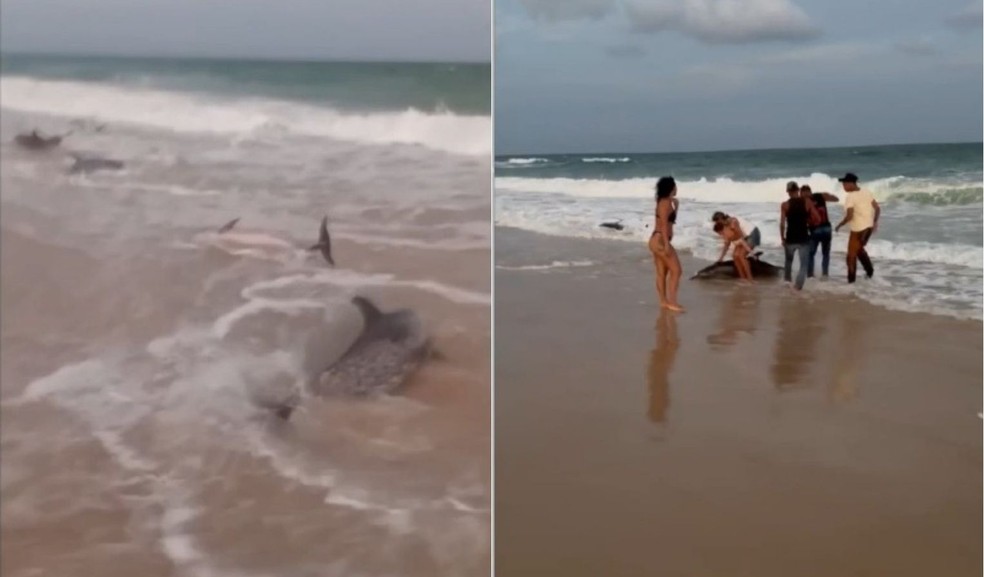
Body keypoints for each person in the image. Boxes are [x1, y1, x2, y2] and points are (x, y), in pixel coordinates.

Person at [834, 172, 880, 283]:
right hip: (867, 229)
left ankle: (851, 283)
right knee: (858, 250)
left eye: (845, 184)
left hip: (859, 230)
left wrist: (840, 224)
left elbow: (849, 216)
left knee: (851, 257)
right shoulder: (866, 192)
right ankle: (869, 272)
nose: (843, 186)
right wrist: (874, 222)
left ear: (851, 184)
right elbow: (877, 208)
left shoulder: (851, 196)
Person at [648, 176, 684, 312]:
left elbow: (670, 221)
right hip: (660, 241)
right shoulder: (664, 203)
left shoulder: (666, 202)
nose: (676, 188)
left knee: (662, 272)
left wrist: (677, 207)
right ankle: (672, 302)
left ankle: (664, 301)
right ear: (670, 188)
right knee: (677, 271)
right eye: (675, 186)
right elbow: (663, 225)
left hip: (657, 240)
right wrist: (667, 245)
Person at [800, 184, 840, 279]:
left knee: (811, 254)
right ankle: (825, 274)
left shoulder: (802, 203)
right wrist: (828, 196)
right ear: (810, 191)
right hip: (827, 229)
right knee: (825, 253)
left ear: (801, 193)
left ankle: (810, 275)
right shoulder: (819, 196)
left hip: (815, 231)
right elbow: (835, 199)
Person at [779, 181, 811, 290]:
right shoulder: (807, 202)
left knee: (788, 262)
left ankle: (787, 283)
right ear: (798, 190)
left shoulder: (785, 205)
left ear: (788, 192)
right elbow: (816, 218)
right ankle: (798, 287)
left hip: (790, 238)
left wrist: (782, 238)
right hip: (803, 238)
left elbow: (782, 224)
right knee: (803, 265)